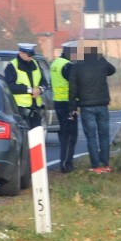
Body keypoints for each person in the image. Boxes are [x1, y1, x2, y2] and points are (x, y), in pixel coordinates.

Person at [68, 42, 116, 173]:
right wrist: (102, 60)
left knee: (91, 137)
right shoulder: (101, 62)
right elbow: (113, 70)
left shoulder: (77, 66)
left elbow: (72, 89)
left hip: (86, 106)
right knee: (104, 136)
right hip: (102, 104)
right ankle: (105, 165)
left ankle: (96, 166)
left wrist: (72, 107)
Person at [4, 42, 47, 130]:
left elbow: (44, 82)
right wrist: (30, 90)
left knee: (36, 139)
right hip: (20, 110)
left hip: (35, 109)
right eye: (28, 55)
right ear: (21, 53)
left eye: (32, 55)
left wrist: (40, 89)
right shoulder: (12, 66)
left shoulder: (35, 64)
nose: (30, 57)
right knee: (24, 138)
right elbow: (10, 86)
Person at [50, 44, 79, 173]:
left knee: (63, 135)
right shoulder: (68, 66)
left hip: (57, 102)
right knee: (71, 135)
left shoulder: (54, 64)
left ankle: (64, 162)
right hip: (68, 104)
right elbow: (74, 84)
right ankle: (66, 164)